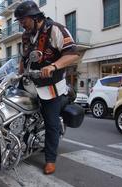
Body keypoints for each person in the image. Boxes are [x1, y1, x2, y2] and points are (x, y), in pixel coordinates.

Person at [14, 1, 79, 175]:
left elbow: (72, 54)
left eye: (23, 20)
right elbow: (24, 57)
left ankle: (50, 159)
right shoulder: (27, 35)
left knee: (51, 122)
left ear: (35, 17)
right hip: (30, 83)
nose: (21, 24)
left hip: (51, 85)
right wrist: (17, 74)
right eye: (19, 21)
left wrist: (53, 66)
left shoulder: (55, 29)